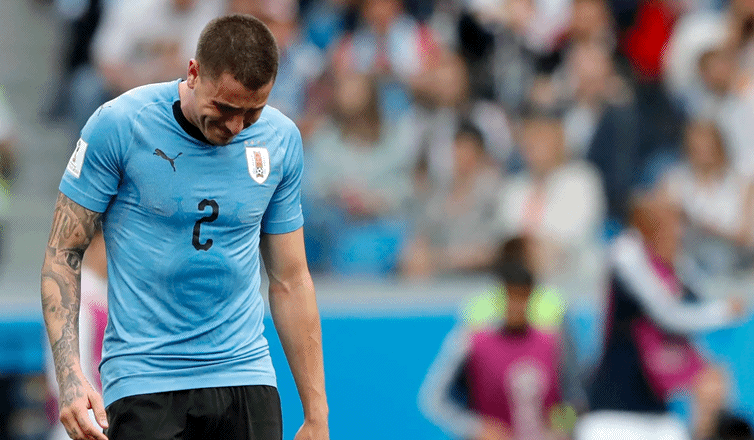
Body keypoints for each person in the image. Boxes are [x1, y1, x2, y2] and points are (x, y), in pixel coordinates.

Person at [40, 14, 329, 440]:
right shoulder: (120, 125)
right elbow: (63, 253)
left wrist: (316, 414)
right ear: (193, 73)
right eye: (225, 108)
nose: (235, 126)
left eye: (252, 112)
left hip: (246, 375)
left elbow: (291, 280)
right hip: (145, 381)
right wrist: (70, 379)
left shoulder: (280, 140)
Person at [418, 236, 582, 440]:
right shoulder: (473, 340)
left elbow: (574, 397)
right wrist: (476, 428)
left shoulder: (552, 340)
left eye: (521, 297)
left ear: (531, 296)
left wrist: (559, 430)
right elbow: (435, 398)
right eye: (510, 296)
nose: (516, 305)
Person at [45, 230, 107, 440]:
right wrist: (97, 423)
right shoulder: (75, 298)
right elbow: (67, 372)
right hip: (87, 425)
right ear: (94, 243)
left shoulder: (104, 295)